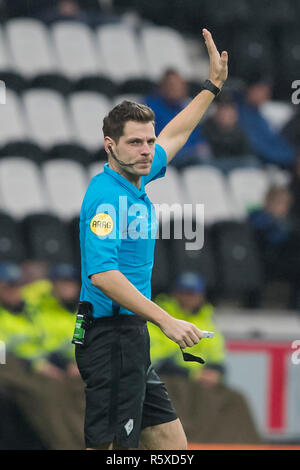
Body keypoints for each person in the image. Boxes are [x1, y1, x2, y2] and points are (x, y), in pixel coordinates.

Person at [74, 28, 228, 451]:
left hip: (131, 336)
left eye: (149, 140)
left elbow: (176, 135)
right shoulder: (105, 198)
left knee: (172, 446)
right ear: (110, 146)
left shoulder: (135, 176)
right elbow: (103, 274)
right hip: (110, 340)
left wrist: (211, 87)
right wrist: (167, 320)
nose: (148, 150)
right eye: (136, 143)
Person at [148, 272, 225, 384]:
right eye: (184, 292)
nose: (188, 297)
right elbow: (155, 362)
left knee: (234, 397)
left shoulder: (207, 320)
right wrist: (192, 374)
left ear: (201, 296)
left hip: (201, 382)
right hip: (168, 379)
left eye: (192, 293)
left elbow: (217, 359)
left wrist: (215, 374)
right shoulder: (159, 318)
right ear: (175, 294)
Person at [144, 69, 212, 170]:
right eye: (172, 85)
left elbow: (198, 139)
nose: (176, 89)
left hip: (189, 157)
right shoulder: (150, 108)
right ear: (163, 87)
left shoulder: (187, 108)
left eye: (180, 85)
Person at [248, 186, 300, 309]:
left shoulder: (287, 222)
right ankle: (252, 304)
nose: (282, 208)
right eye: (279, 203)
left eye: (285, 204)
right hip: (262, 259)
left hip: (282, 260)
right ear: (268, 203)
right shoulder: (258, 218)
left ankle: (294, 305)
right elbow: (268, 238)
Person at [235, 76, 296, 168]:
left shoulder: (259, 116)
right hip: (256, 165)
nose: (266, 94)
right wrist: (291, 158)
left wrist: (294, 155)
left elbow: (277, 141)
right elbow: (257, 148)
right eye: (261, 89)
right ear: (250, 89)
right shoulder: (239, 114)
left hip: (277, 163)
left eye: (267, 90)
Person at [202, 92, 258, 172]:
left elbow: (246, 152)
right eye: (222, 109)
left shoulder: (240, 130)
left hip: (236, 163)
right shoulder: (207, 126)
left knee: (251, 162)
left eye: (229, 109)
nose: (226, 113)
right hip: (215, 163)